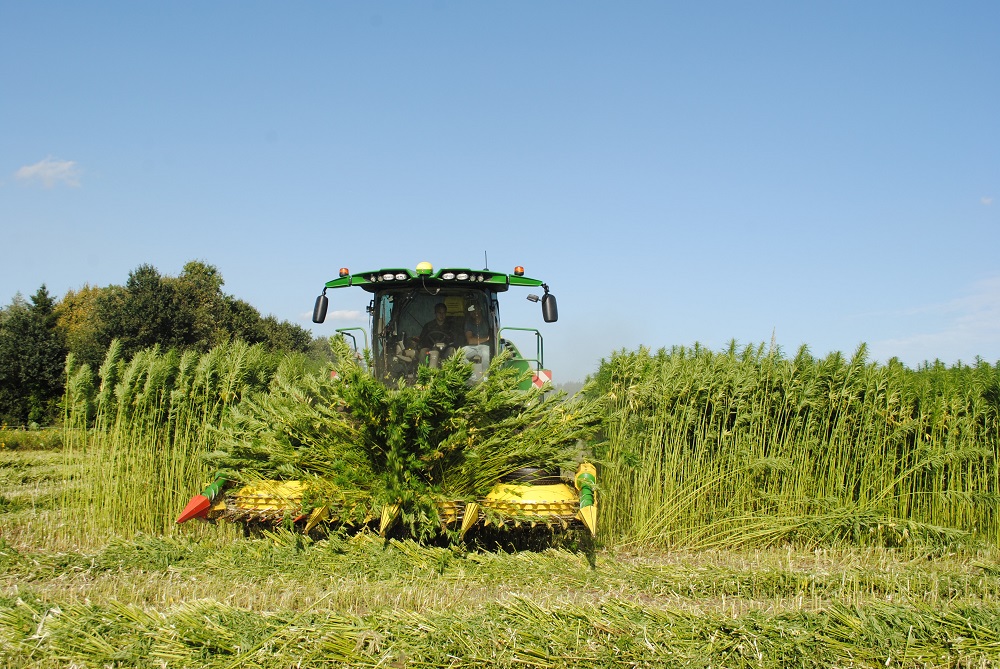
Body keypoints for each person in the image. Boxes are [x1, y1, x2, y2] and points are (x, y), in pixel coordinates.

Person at [419, 303, 458, 367]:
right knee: (423, 351)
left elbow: (455, 341)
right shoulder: (428, 326)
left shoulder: (451, 326)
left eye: (443, 313)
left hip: (445, 351)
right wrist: (432, 345)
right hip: (430, 350)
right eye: (439, 313)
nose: (441, 315)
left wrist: (446, 345)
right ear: (435, 313)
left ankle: (449, 372)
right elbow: (422, 341)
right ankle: (423, 371)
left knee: (452, 350)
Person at [463, 305, 491, 380]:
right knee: (460, 354)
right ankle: (472, 376)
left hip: (485, 346)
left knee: (486, 355)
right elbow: (470, 341)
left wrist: (486, 340)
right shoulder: (468, 323)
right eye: (472, 311)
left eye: (476, 310)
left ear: (480, 310)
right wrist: (486, 339)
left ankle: (485, 378)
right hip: (472, 347)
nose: (474, 313)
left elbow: (492, 335)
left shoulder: (487, 321)